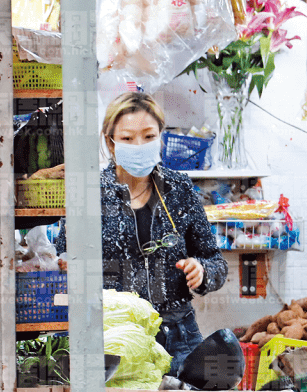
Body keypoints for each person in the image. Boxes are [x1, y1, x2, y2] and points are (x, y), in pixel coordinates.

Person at [55, 92, 227, 376]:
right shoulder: (89, 193)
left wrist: (202, 271)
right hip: (115, 337)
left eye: (148, 136)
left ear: (161, 137)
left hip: (179, 337)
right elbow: (63, 258)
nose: (139, 145)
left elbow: (214, 261)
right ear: (110, 142)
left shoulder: (179, 188)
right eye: (127, 138)